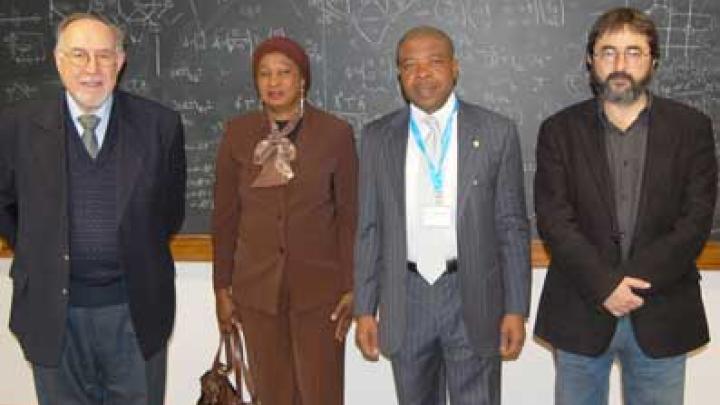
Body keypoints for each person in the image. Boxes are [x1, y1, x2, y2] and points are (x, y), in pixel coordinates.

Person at [534, 7, 717, 405]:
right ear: (590, 60)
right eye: (608, 52)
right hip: (581, 309)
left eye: (634, 52)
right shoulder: (558, 131)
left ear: (653, 60)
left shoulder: (692, 128)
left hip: (663, 309)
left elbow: (696, 220)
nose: (620, 64)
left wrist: (628, 284)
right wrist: (604, 285)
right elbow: (554, 219)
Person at [0, 13, 186, 405]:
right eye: (79, 55)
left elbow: (169, 212)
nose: (92, 68)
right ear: (58, 60)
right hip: (54, 315)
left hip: (134, 314)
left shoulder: (160, 126)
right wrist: (45, 255)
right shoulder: (16, 127)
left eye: (104, 56)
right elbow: (7, 207)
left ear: (120, 62)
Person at [354, 26, 531, 405]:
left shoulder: (497, 132)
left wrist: (516, 307)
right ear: (399, 76)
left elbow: (512, 227)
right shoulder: (376, 138)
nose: (422, 74)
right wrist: (364, 309)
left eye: (434, 62)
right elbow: (369, 228)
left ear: (455, 67)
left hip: (474, 296)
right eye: (409, 65)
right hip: (407, 296)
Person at [212, 36, 358, 405]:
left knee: (321, 393)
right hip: (257, 291)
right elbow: (226, 217)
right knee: (273, 394)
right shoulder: (237, 134)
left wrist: (352, 284)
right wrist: (221, 287)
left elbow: (349, 217)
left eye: (284, 73)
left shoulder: (335, 134)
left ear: (302, 80)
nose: (273, 82)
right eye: (264, 74)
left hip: (321, 293)